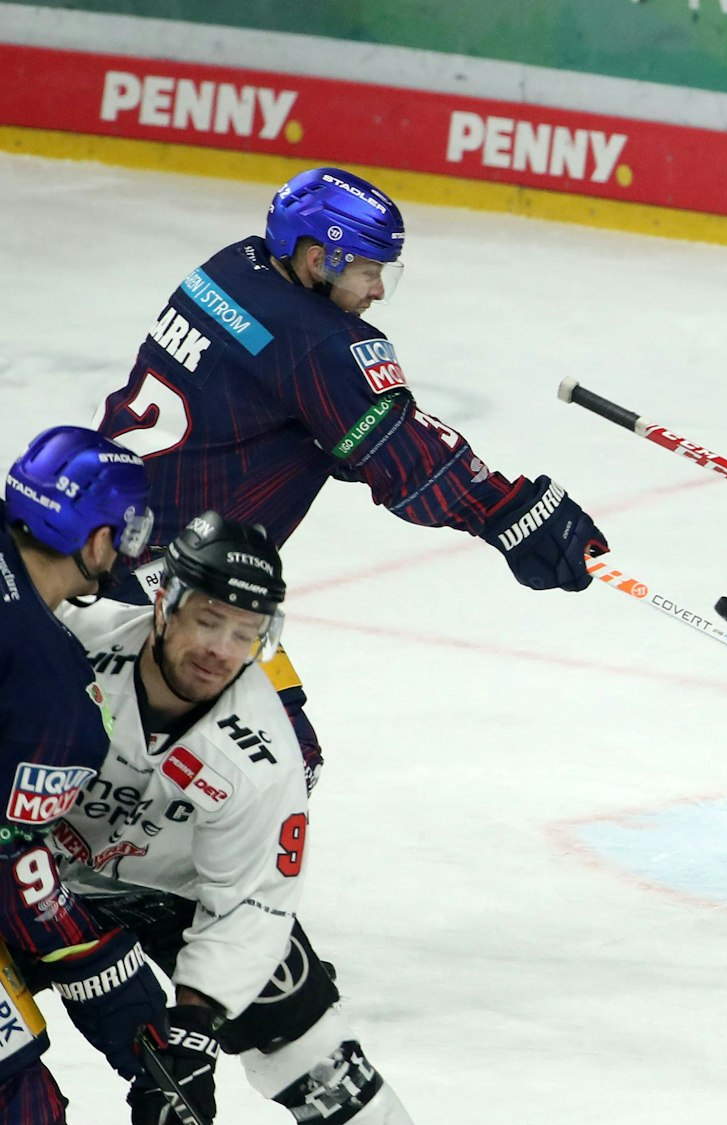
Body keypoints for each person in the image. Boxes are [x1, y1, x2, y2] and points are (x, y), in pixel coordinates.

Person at [94, 166, 607, 790]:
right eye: (369, 270)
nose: (379, 291)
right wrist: (515, 513)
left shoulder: (234, 267)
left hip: (96, 539)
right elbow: (410, 464)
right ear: (319, 259)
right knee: (276, 765)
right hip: (164, 586)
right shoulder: (322, 345)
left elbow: (307, 422)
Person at [49, 512, 411, 1124]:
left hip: (175, 890)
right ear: (164, 603)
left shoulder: (263, 755)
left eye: (245, 632)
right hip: (26, 874)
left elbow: (250, 904)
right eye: (208, 620)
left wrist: (192, 1035)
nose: (221, 650)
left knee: (321, 1066)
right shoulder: (68, 645)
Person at [0, 426, 170, 1123]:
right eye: (126, 531)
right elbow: (21, 882)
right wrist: (145, 1033)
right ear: (97, 540)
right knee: (19, 1093)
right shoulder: (54, 696)